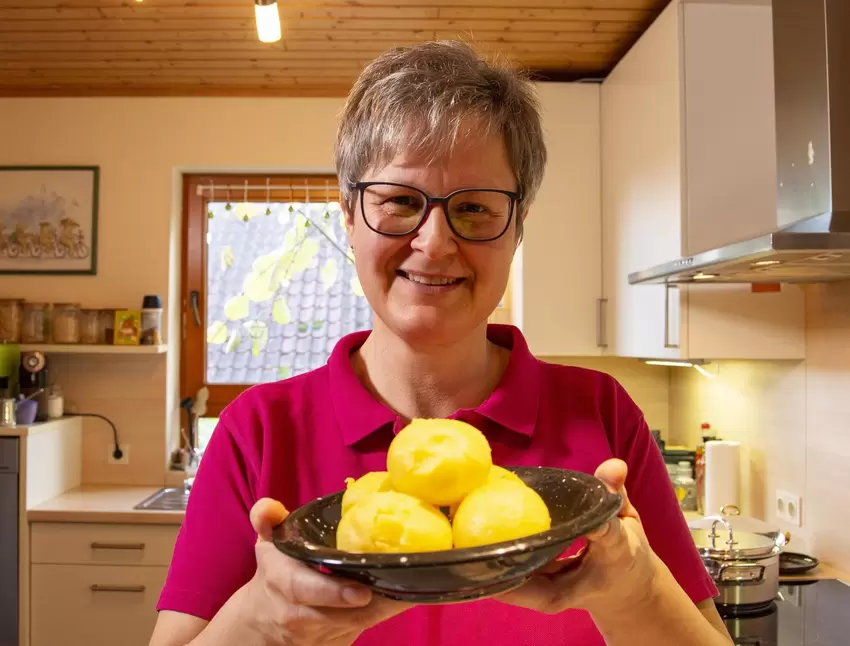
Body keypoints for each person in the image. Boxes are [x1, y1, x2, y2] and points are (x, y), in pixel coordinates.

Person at [150, 41, 731, 646]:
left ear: (518, 227)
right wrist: (261, 623)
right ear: (349, 215)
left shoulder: (604, 415)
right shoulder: (259, 431)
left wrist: (637, 595)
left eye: (476, 208)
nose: (434, 242)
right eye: (400, 201)